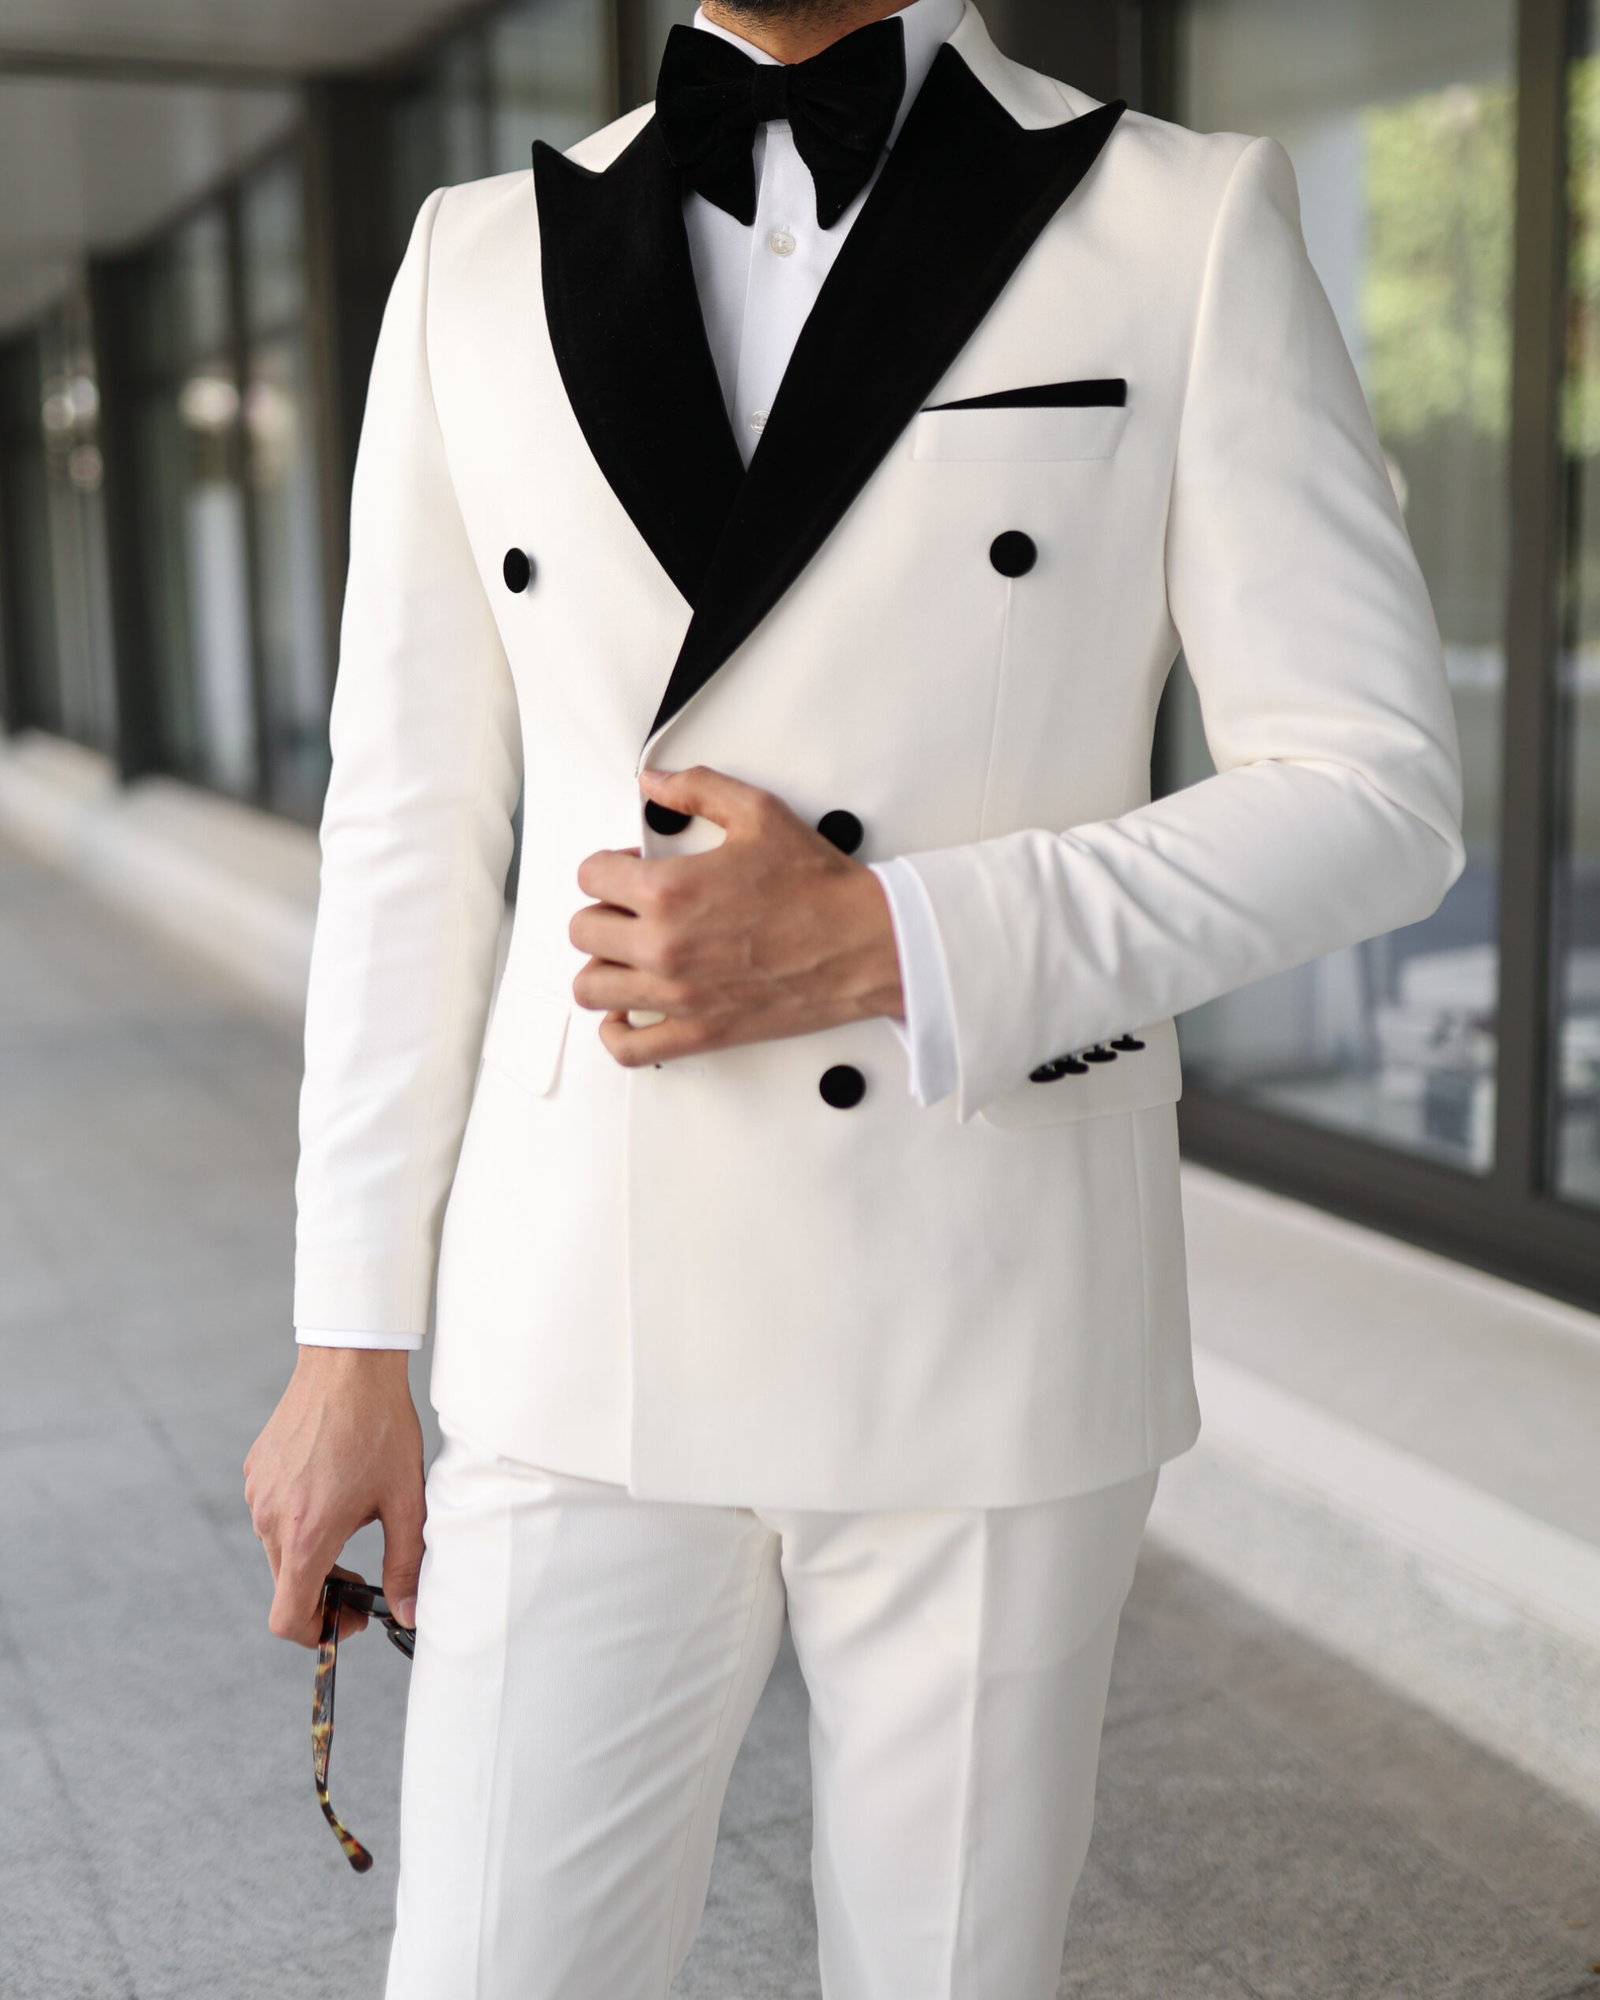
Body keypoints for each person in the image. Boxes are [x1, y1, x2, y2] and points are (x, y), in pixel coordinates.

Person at [243, 0, 1464, 1992]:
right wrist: (346, 1334)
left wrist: (896, 937)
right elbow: (403, 835)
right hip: (574, 1322)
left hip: (986, 1307)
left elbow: (1373, 792)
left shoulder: (1176, 223)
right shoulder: (471, 259)